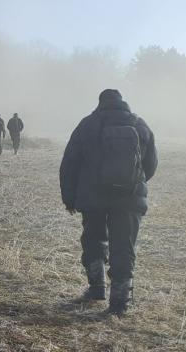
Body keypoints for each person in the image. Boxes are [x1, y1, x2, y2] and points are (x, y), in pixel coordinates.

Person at [60, 89, 157, 316]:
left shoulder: (87, 125)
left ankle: (96, 288)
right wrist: (131, 183)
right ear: (123, 102)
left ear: (101, 103)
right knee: (124, 246)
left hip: (93, 196)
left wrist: (70, 197)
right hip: (129, 197)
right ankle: (120, 302)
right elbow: (150, 165)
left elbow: (70, 164)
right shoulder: (140, 124)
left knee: (93, 239)